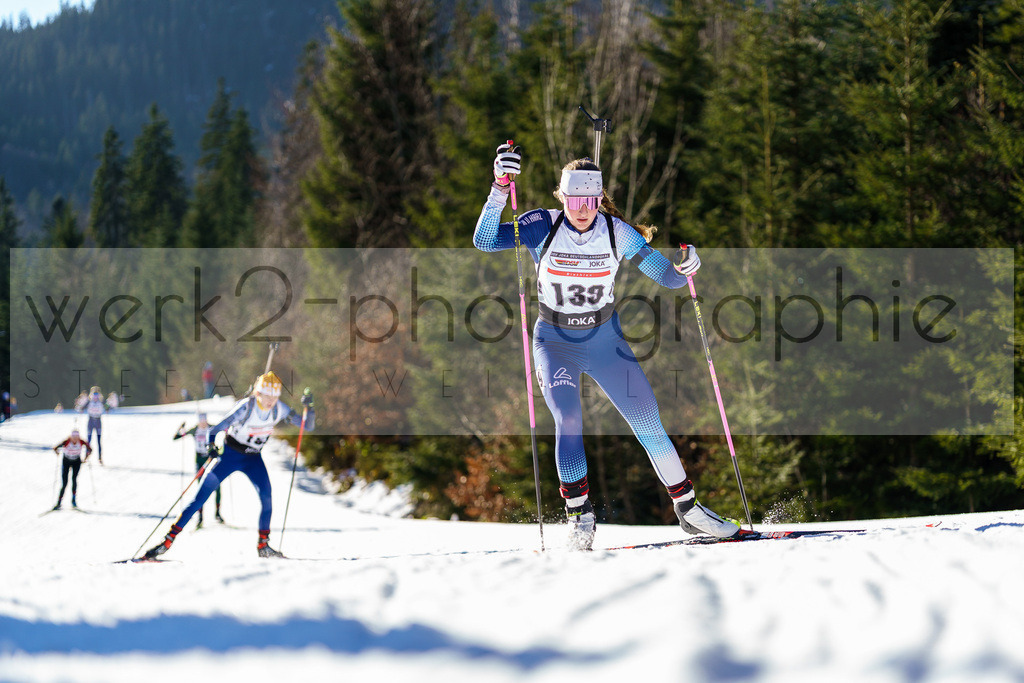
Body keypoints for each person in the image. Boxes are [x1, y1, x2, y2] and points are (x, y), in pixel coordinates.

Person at [473, 144, 738, 550]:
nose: (582, 208)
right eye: (574, 199)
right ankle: (579, 515)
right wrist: (499, 185)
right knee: (569, 419)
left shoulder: (618, 232)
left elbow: (666, 276)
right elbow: (485, 240)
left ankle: (689, 510)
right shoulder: (541, 224)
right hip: (555, 342)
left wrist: (687, 268)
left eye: (591, 200)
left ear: (600, 199)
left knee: (648, 422)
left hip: (604, 341)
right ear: (562, 197)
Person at [144, 372, 315, 559]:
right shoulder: (246, 407)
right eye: (267, 395)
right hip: (229, 456)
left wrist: (309, 408)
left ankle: (263, 546)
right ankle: (167, 541)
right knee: (200, 498)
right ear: (259, 393)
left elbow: (307, 426)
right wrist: (211, 446)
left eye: (275, 396)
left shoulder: (279, 409)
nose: (271, 401)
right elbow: (216, 428)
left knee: (267, 497)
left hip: (253, 459)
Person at [172, 413, 224, 528]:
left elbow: (224, 431)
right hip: (200, 460)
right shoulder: (194, 430)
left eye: (204, 420)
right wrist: (181, 428)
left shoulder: (212, 428)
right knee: (201, 489)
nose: (203, 423)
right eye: (201, 421)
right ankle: (200, 517)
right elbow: (176, 437)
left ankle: (218, 513)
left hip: (211, 459)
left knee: (217, 487)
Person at [53, 428, 92, 509]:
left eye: (76, 436)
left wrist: (86, 457)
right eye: (73, 436)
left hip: (76, 462)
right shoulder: (67, 441)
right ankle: (59, 502)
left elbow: (90, 449)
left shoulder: (81, 441)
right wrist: (57, 452)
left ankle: (73, 501)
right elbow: (55, 447)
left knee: (74, 479)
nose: (75, 438)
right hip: (66, 461)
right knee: (65, 483)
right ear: (71, 436)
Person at [85, 386, 105, 464]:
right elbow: (82, 407)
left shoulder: (101, 400)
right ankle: (86, 455)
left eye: (97, 393)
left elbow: (107, 406)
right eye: (94, 393)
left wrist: (107, 407)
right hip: (91, 421)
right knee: (89, 439)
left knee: (98, 440)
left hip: (98, 421)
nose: (95, 395)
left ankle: (100, 457)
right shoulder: (89, 400)